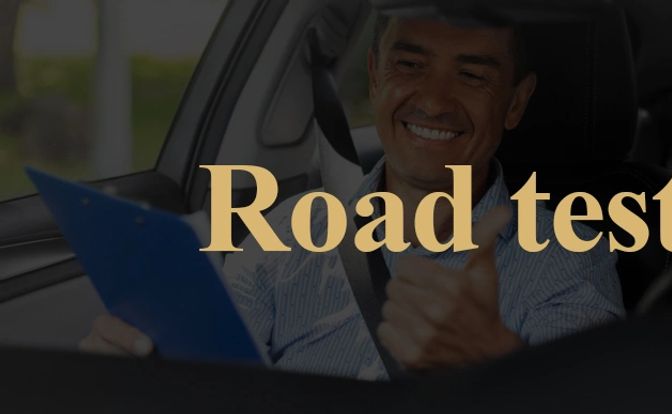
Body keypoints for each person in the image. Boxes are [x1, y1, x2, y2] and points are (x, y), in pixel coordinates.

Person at [78, 13, 625, 380]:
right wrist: (145, 372)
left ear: (515, 103)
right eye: (409, 66)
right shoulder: (287, 231)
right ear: (375, 76)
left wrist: (496, 365)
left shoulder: (568, 255)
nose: (433, 102)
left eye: (472, 75)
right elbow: (219, 382)